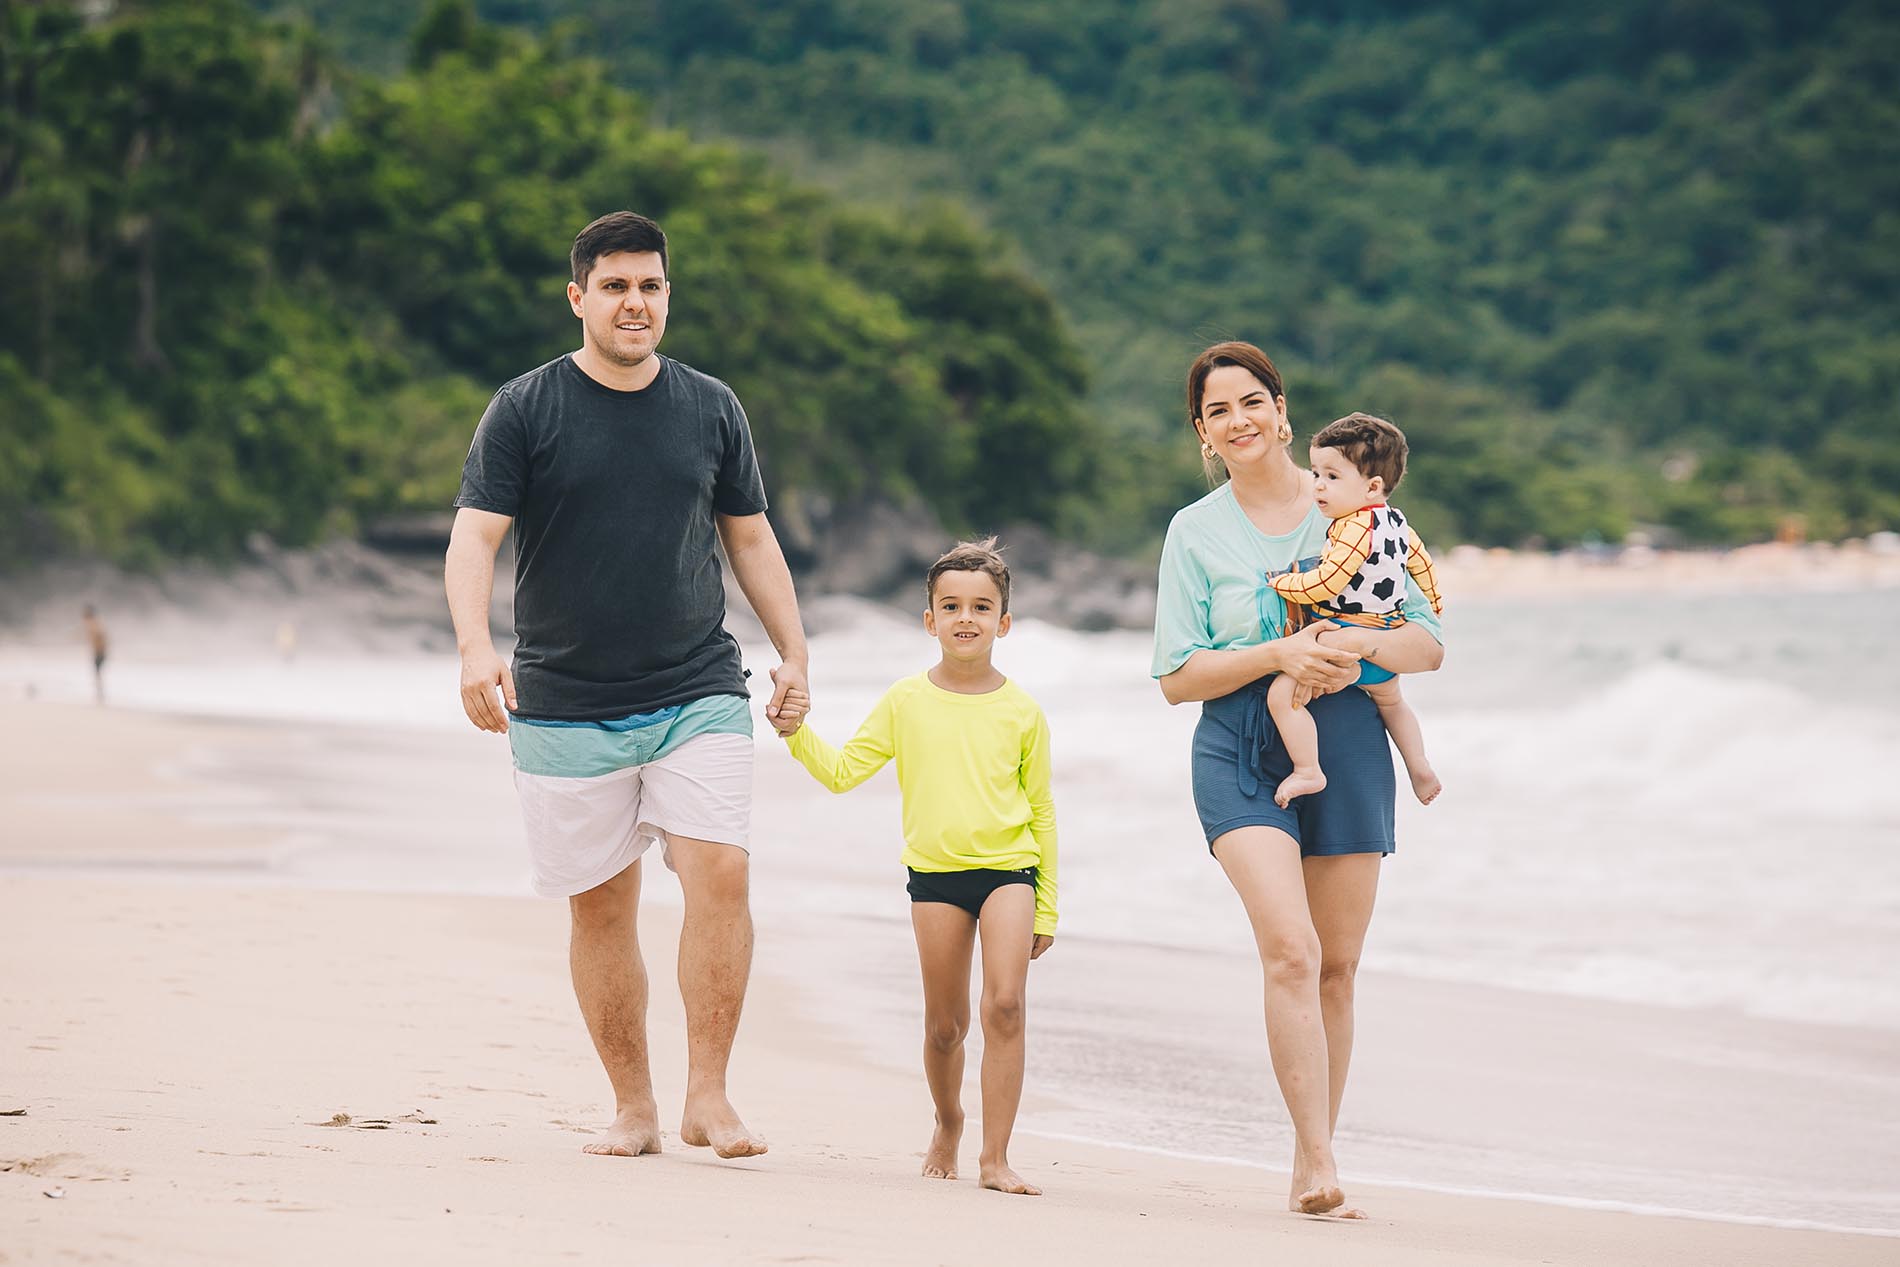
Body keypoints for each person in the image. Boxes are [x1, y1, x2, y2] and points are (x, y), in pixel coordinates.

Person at [444, 211, 811, 1161]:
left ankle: (710, 1096)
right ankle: (634, 1105)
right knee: (601, 905)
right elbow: (475, 537)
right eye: (614, 286)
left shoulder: (710, 406)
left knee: (720, 872)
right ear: (579, 298)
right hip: (563, 697)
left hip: (698, 683)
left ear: (667, 296)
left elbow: (752, 537)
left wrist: (795, 652)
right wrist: (475, 649)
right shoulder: (525, 408)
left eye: (649, 286)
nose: (634, 303)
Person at [1153, 342, 1444, 1219]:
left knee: (1339, 966)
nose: (1237, 420)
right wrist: (1278, 652)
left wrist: (1351, 648)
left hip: (1348, 738)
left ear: (1282, 408)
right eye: (1217, 411)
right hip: (1241, 745)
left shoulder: (1353, 506)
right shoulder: (1192, 531)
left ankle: (1304, 1151)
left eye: (1252, 401)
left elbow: (1426, 642)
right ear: (1202, 433)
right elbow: (1176, 675)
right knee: (1292, 947)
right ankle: (1320, 1161)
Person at [771, 539, 1057, 1197]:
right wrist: (796, 734)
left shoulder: (1023, 711)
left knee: (1007, 1005)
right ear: (929, 619)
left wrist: (1048, 904)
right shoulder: (905, 700)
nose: (966, 618)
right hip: (935, 878)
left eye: (981, 607)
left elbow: (1042, 812)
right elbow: (844, 773)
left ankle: (995, 1156)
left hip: (1011, 870)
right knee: (945, 1024)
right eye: (951, 605)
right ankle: (949, 1121)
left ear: (1004, 622)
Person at [1266, 412, 1445, 808]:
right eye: (1315, 474)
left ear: (1372, 486)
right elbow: (1422, 566)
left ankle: (1307, 769)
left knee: (1282, 696)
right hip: (1387, 636)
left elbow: (1327, 582)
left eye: (1332, 477)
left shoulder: (1352, 528)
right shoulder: (1397, 522)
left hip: (1344, 638)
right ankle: (1418, 764)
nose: (1318, 486)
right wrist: (1433, 604)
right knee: (1393, 703)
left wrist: (1282, 584)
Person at [82, 605, 108, 704]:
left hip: (99, 653)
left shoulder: (93, 624)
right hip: (100, 652)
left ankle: (100, 693)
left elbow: (100, 636)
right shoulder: (94, 623)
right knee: (97, 673)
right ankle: (99, 693)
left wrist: (99, 650)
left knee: (97, 673)